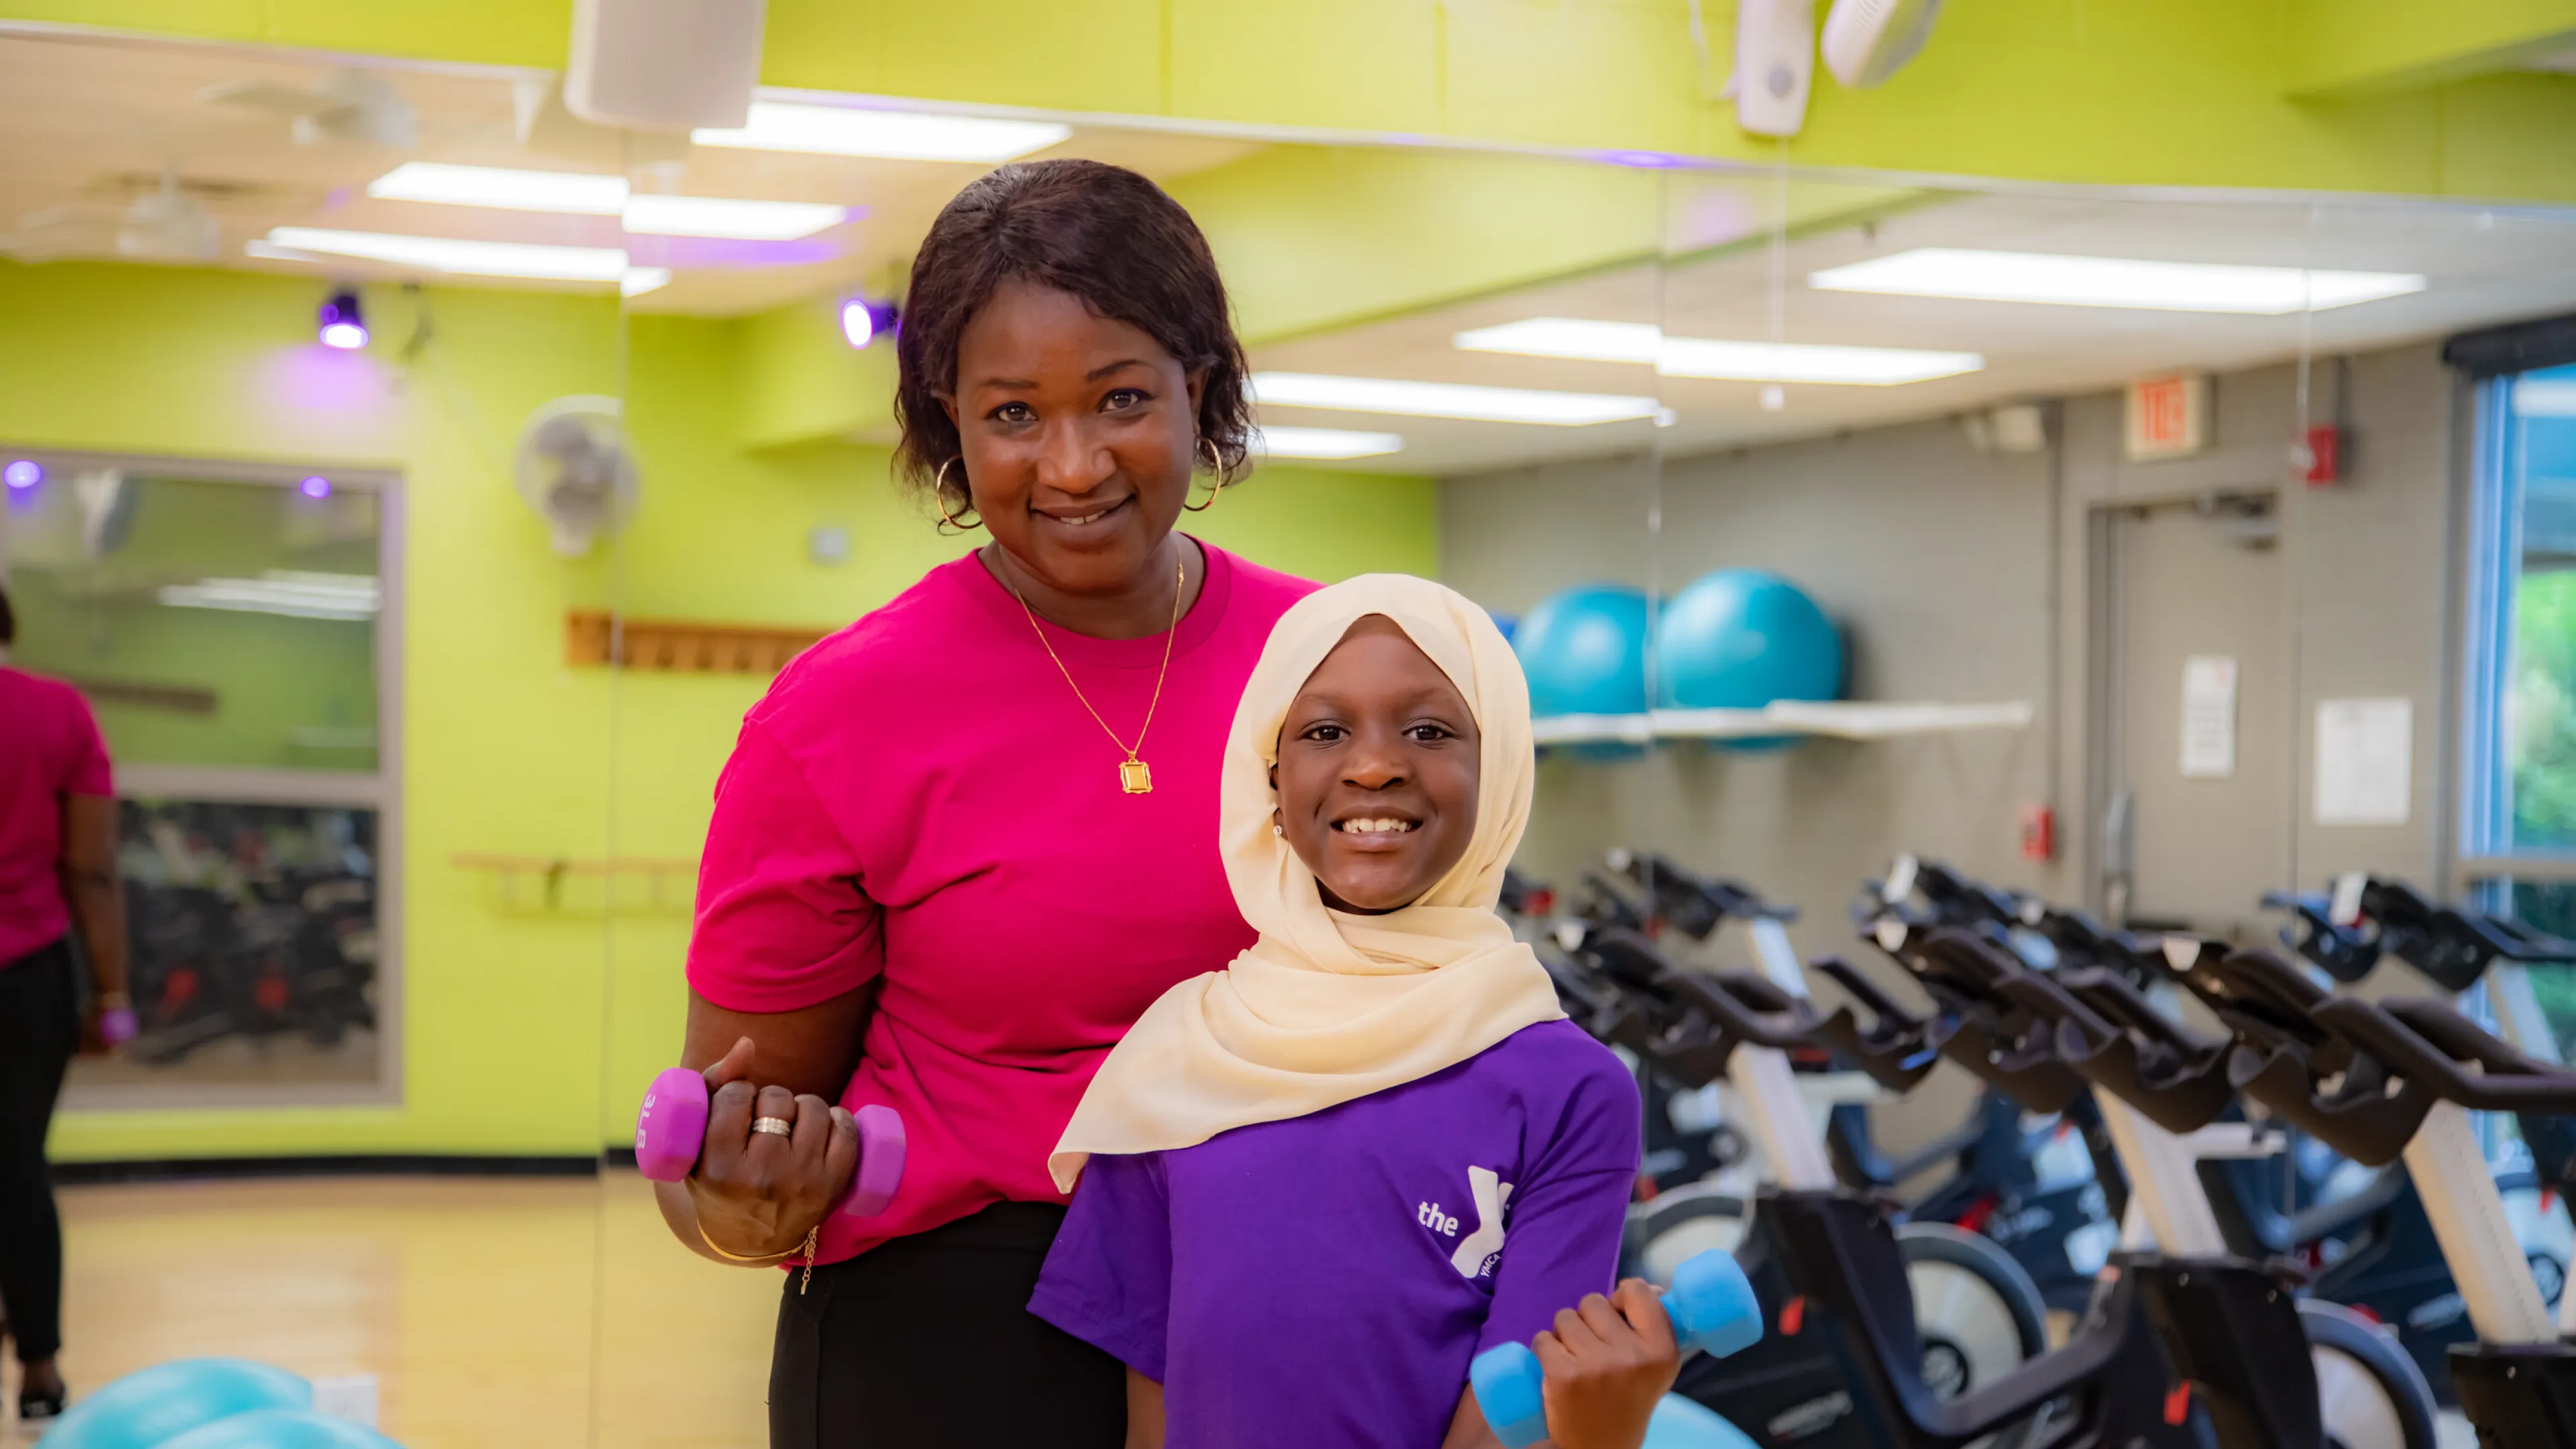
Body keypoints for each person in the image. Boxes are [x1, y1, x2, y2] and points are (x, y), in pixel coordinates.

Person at [659, 157, 1318, 1449]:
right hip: (958, 1333)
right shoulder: (835, 717)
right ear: (949, 421)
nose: (1072, 465)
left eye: (1121, 398)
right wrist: (751, 1194)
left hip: (1280, 1299)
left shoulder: (1332, 662)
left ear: (1202, 386)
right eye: (1014, 414)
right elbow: (721, 1174)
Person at [1034, 575, 1674, 1449]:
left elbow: (1517, 1414)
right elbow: (1156, 1402)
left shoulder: (1570, 1089)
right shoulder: (1183, 1055)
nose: (1374, 765)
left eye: (1430, 730)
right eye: (1325, 732)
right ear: (1270, 780)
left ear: (1504, 771)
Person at [0, 579, 132, 1424]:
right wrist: (110, 992)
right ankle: (41, 1372)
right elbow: (90, 867)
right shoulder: (56, 712)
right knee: (16, 1169)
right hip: (26, 974)